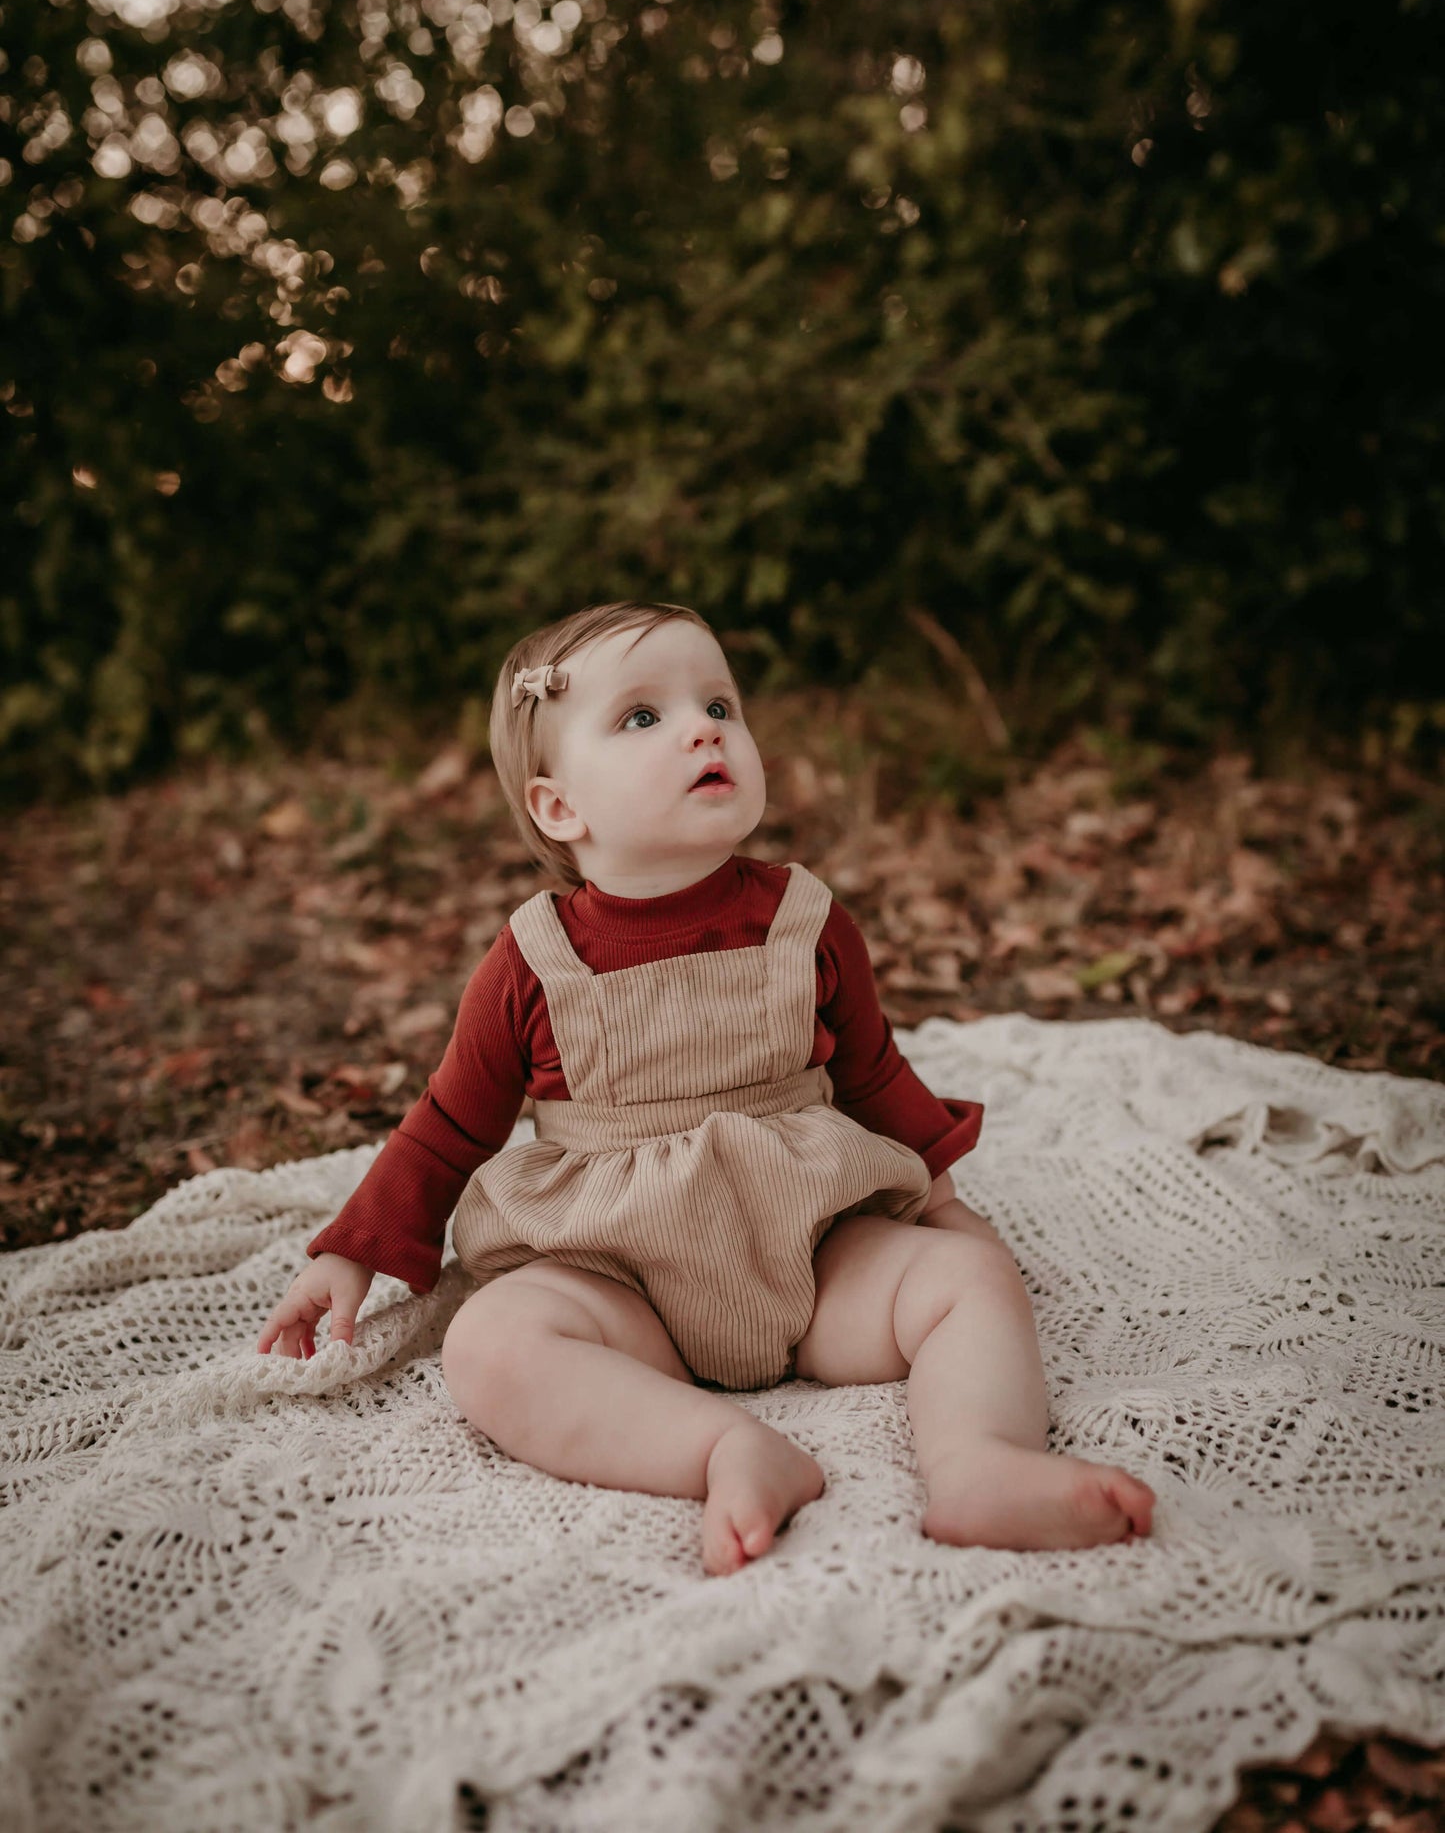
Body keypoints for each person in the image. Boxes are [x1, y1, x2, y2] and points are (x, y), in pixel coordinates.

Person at [258, 600, 1154, 1575]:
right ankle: (725, 1446)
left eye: (719, 701)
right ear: (560, 806)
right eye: (642, 716)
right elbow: (447, 1125)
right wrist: (353, 1250)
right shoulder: (532, 961)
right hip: (619, 1280)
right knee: (490, 1343)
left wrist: (940, 1194)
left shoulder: (802, 920)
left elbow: (870, 1069)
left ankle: (981, 1461)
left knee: (969, 1277)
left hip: (808, 1255)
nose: (703, 726)